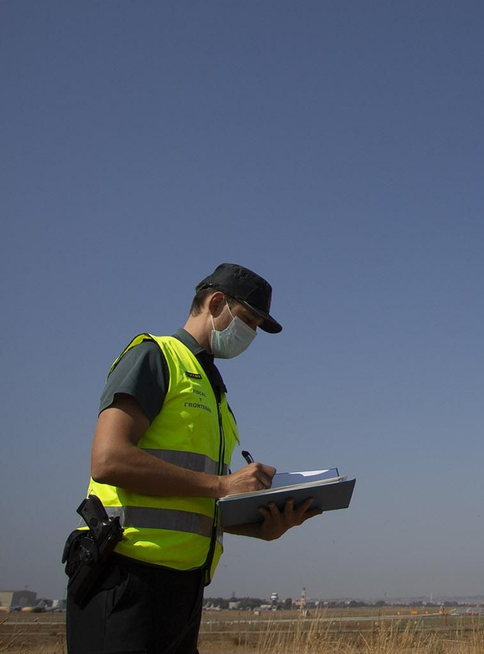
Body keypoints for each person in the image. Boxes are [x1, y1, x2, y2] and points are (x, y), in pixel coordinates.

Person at [65, 263, 320, 654]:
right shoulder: (156, 357)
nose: (250, 335)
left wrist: (262, 526)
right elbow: (108, 459)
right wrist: (222, 484)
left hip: (184, 590)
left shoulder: (216, 394)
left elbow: (191, 503)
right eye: (248, 320)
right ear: (216, 302)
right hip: (125, 578)